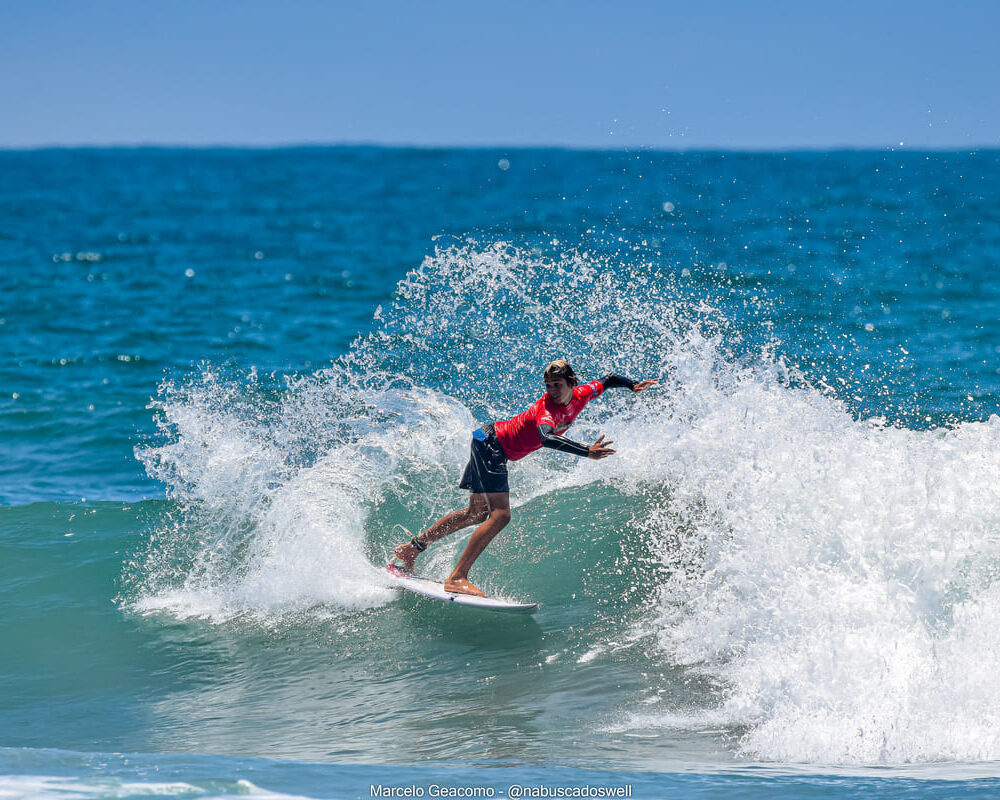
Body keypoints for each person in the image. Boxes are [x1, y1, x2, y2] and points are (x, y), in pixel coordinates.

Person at [392, 359, 658, 597]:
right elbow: (547, 437)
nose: (551, 390)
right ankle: (457, 577)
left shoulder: (583, 393)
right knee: (500, 516)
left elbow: (608, 379)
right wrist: (587, 452)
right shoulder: (547, 411)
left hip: (486, 439)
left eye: (556, 384)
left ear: (572, 383)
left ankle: (412, 549)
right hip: (492, 445)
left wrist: (632, 385)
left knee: (475, 514)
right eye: (547, 385)